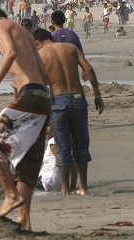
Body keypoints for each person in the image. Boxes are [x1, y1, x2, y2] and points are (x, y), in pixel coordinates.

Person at [0, 2, 50, 232]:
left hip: (31, 96)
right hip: (42, 96)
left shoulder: (0, 25)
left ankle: (10, 194)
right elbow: (43, 73)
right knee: (29, 164)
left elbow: (10, 53)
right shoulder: (25, 31)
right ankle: (24, 222)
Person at [33, 28, 104, 196]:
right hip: (78, 99)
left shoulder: (41, 55)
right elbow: (88, 69)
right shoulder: (71, 48)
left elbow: (41, 83)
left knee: (62, 146)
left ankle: (65, 189)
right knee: (81, 144)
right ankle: (83, 187)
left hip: (58, 102)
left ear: (37, 43)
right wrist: (97, 95)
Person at [36, 124, 62, 192]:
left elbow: (63, 162)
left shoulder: (52, 141)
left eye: (48, 125)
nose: (45, 129)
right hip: (51, 182)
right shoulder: (57, 141)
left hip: (47, 182)